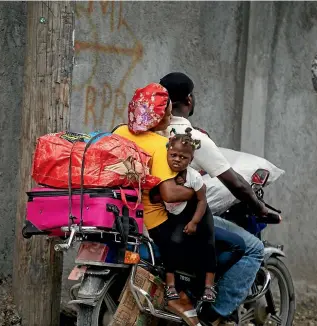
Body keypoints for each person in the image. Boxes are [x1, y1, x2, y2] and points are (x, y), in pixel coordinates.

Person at [113, 83, 246, 324]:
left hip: (123, 213)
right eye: (166, 112)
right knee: (236, 245)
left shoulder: (119, 131)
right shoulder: (158, 145)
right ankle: (190, 294)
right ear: (157, 115)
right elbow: (170, 194)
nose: (170, 116)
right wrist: (198, 191)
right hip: (156, 222)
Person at [160, 72, 273, 325]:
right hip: (178, 215)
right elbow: (235, 183)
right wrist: (261, 208)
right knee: (253, 249)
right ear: (189, 99)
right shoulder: (193, 137)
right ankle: (213, 316)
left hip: (148, 213)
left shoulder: (149, 129)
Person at [155, 128, 217, 303]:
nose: (177, 160)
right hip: (177, 214)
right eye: (174, 155)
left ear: (191, 160)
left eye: (183, 158)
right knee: (172, 244)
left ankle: (209, 287)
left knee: (208, 245)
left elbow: (202, 201)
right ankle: (171, 285)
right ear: (167, 152)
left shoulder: (194, 177)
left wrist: (195, 222)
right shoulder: (163, 172)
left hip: (198, 213)